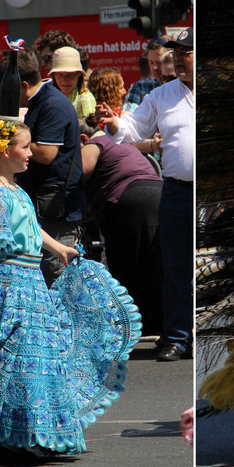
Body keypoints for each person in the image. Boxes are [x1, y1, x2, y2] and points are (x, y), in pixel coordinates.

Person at [0, 118, 139, 464]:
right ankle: (9, 438)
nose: (30, 153)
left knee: (36, 359)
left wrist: (59, 249)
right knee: (16, 361)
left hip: (31, 282)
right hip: (11, 284)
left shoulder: (17, 191)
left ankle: (29, 431)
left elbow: (33, 228)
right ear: (6, 152)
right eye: (25, 147)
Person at [106, 31, 193, 361]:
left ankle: (205, 332)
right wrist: (114, 125)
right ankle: (177, 337)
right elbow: (133, 129)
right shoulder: (162, 95)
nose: (180, 58)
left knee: (212, 265)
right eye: (177, 52)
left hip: (210, 195)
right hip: (176, 192)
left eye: (187, 52)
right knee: (175, 266)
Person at [81, 68, 164, 344]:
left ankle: (133, 326)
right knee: (157, 261)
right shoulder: (125, 144)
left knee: (126, 264)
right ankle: (163, 325)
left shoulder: (94, 143)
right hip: (159, 192)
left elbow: (78, 173)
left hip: (128, 201)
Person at [7, 48, 83, 285]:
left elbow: (47, 154)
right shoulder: (43, 101)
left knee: (58, 280)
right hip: (46, 206)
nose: (6, 96)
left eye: (8, 89)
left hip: (57, 212)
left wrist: (7, 142)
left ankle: (69, 324)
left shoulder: (52, 104)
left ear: (22, 85)